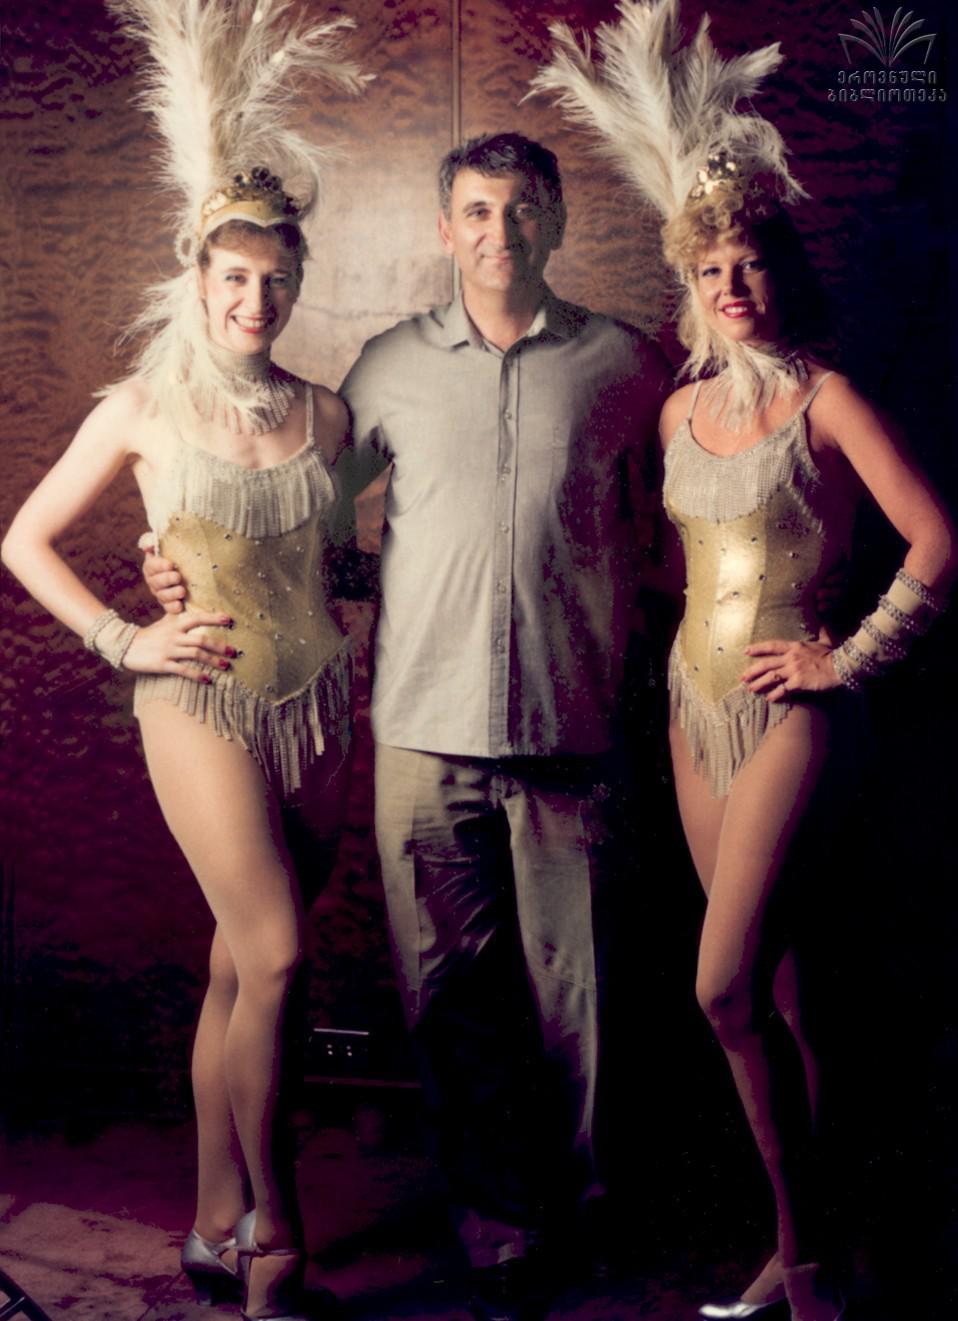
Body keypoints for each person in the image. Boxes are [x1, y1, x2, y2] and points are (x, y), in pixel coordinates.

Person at [148, 128, 671, 1320]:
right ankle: (495, 1228)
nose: (500, 231)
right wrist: (178, 566)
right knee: (447, 1000)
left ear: (556, 220)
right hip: (422, 732)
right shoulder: (382, 372)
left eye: (522, 207)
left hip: (573, 728)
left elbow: (675, 515)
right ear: (445, 229)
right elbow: (296, 530)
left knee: (580, 997)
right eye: (476, 211)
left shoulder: (625, 366)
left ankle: (580, 1208)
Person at [533, 4, 955, 1320]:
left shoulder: (827, 398)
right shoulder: (673, 412)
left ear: (780, 273)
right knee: (779, 989)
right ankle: (804, 1243)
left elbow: (938, 542)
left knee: (717, 987)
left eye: (750, 263)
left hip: (793, 715)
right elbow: (671, 565)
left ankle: (815, 1261)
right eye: (710, 267)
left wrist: (848, 659)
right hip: (688, 710)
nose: (731, 285)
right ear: (691, 281)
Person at [1, 3, 366, 1319]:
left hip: (315, 705)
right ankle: (276, 1233)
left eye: (274, 281)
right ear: (199, 280)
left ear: (295, 285)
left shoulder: (329, 414)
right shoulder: (143, 407)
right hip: (196, 698)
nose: (254, 301)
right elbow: (22, 539)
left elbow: (341, 565)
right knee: (276, 959)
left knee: (237, 965)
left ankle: (212, 1222)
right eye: (233, 279)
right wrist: (124, 630)